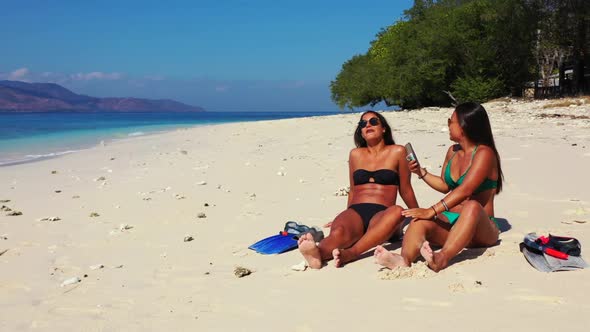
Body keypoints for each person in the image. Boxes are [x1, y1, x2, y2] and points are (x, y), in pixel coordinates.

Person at [374, 102, 503, 272]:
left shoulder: (484, 153)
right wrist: (421, 172)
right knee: (419, 221)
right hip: (455, 227)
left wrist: (432, 210)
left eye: (451, 121)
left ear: (464, 125)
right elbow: (444, 185)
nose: (448, 125)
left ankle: (442, 258)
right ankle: (403, 259)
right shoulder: (453, 151)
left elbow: (466, 190)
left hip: (481, 228)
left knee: (471, 206)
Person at [298, 110, 419, 269]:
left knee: (397, 211)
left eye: (373, 122)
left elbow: (405, 189)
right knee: (339, 231)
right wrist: (346, 216)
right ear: (361, 132)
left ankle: (352, 252)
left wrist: (419, 213)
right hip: (356, 210)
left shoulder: (398, 151)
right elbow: (353, 190)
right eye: (363, 124)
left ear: (383, 128)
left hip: (382, 213)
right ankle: (317, 254)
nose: (368, 125)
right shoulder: (355, 154)